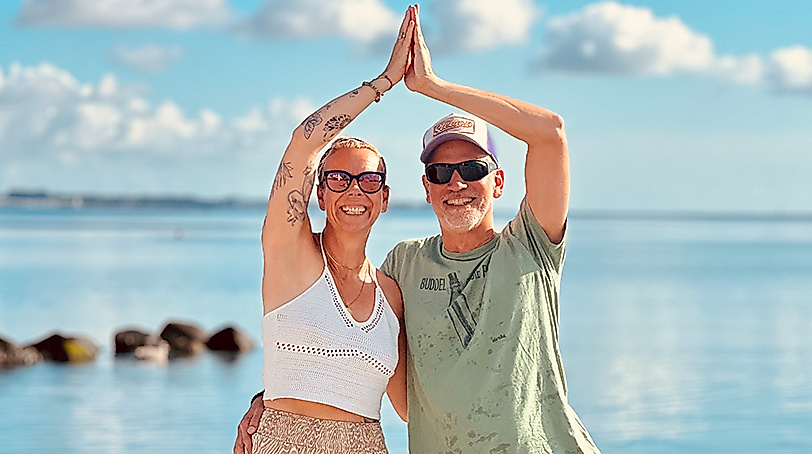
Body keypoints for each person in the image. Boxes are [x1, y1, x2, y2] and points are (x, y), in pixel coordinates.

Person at [237, 4, 600, 453]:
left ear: (499, 182)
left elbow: (550, 132)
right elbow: (388, 388)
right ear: (426, 188)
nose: (457, 183)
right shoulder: (404, 267)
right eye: (441, 172)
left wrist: (432, 86)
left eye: (473, 168)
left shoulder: (529, 246)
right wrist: (274, 402)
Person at [238, 6, 419, 454]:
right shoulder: (291, 253)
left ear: (384, 198)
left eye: (369, 180)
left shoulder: (392, 294)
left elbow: (409, 406)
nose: (354, 189)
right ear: (319, 194)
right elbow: (305, 142)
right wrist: (383, 82)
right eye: (338, 178)